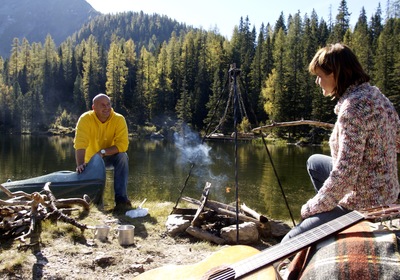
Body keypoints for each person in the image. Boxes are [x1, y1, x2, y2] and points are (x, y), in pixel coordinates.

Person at [282, 43, 400, 242]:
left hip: (364, 202)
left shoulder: (353, 108)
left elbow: (345, 175)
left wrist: (311, 207)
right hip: (383, 190)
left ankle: (337, 222)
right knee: (315, 163)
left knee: (290, 241)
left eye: (320, 76)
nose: (317, 82)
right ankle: (331, 217)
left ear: (335, 74)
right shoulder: (377, 96)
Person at [74, 93, 131, 211]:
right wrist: (80, 164)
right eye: (102, 105)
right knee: (94, 200)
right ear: (93, 107)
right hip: (90, 161)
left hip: (110, 156)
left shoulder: (119, 119)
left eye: (108, 104)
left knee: (123, 156)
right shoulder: (85, 119)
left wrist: (102, 152)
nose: (106, 108)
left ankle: (121, 199)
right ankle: (93, 200)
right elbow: (80, 144)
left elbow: (123, 145)